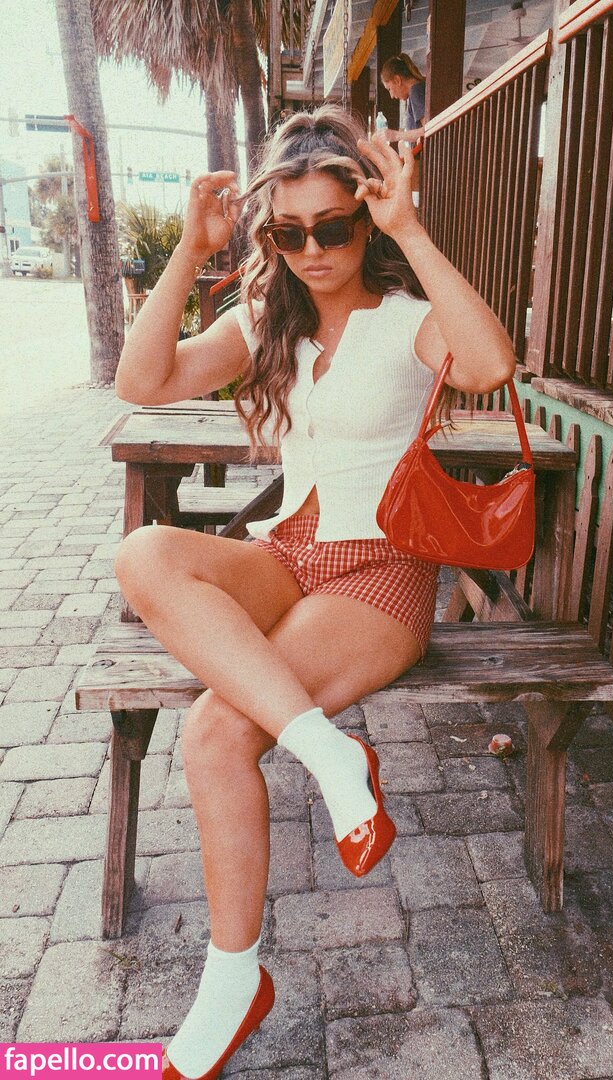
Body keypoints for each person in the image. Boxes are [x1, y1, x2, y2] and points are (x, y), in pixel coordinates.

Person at [113, 104, 517, 1080]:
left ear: (364, 219)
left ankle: (232, 981)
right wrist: (191, 254)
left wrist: (412, 227)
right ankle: (333, 755)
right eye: (288, 234)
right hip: (286, 553)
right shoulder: (269, 321)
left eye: (332, 227)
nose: (312, 252)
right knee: (144, 555)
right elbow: (143, 382)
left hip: (380, 571)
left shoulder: (408, 321)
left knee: (215, 733)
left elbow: (492, 364)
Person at [379, 51, 427, 147]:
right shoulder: (416, 90)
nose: (392, 96)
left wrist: (395, 135)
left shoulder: (416, 91)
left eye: (389, 89)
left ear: (397, 80)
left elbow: (429, 129)